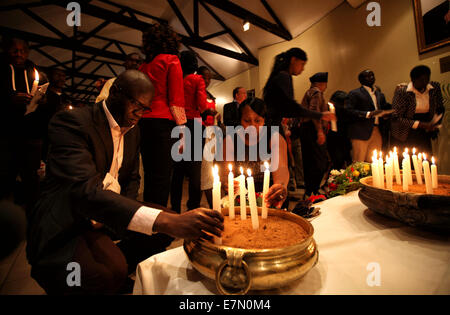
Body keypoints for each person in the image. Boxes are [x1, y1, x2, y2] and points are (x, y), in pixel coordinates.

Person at [26, 70, 224, 295]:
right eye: (136, 105)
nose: (139, 113)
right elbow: (84, 192)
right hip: (69, 221)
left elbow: (131, 178)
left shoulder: (133, 130)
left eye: (145, 108)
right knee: (111, 267)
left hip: (105, 215)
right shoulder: (73, 123)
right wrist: (164, 220)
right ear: (115, 93)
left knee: (163, 230)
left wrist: (124, 217)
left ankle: (113, 272)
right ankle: (91, 276)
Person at [139, 23, 186, 207]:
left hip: (143, 123)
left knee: (150, 176)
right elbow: (176, 99)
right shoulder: (171, 60)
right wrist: (182, 132)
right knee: (162, 178)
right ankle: (156, 229)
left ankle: (146, 224)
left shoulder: (144, 66)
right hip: (163, 124)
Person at [0, 37, 47, 212]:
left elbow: (46, 101)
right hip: (6, 135)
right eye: (15, 50)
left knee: (31, 180)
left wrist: (42, 101)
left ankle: (32, 217)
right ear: (6, 50)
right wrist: (10, 98)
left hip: (31, 136)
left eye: (23, 51)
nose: (19, 54)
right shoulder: (2, 70)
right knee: (5, 177)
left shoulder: (34, 71)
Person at [220, 98, 289, 209]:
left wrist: (280, 186)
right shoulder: (230, 141)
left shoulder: (274, 138)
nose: (252, 126)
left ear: (264, 120)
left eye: (257, 121)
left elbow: (281, 168)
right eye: (247, 121)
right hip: (241, 201)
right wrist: (227, 183)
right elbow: (225, 173)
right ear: (240, 120)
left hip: (269, 198)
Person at [262, 47, 335, 132]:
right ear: (293, 60)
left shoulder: (280, 75)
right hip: (272, 126)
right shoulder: (283, 76)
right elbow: (291, 107)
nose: (303, 68)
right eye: (302, 64)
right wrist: (320, 115)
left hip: (271, 125)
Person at [170, 51, 208, 213]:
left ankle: (175, 209)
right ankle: (193, 207)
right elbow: (202, 106)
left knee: (177, 171)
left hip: (177, 124)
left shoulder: (175, 79)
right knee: (195, 170)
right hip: (194, 124)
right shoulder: (197, 79)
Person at [391, 65, 445, 157]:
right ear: (413, 80)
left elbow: (440, 107)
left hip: (425, 128)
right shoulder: (403, 92)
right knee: (409, 160)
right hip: (406, 130)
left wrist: (435, 123)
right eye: (421, 80)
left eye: (427, 79)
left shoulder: (434, 88)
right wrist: (420, 124)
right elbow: (396, 117)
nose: (425, 82)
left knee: (425, 157)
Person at [347, 70, 391, 162]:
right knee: (359, 162)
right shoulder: (355, 93)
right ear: (361, 80)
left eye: (372, 75)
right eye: (367, 76)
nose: (371, 78)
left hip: (377, 129)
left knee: (374, 162)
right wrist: (368, 114)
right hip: (360, 131)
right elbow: (349, 111)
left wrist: (386, 114)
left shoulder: (379, 94)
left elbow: (384, 108)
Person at [299, 72, 331, 198]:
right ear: (321, 83)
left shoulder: (308, 92)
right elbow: (313, 111)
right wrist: (319, 131)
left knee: (310, 161)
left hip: (306, 129)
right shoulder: (316, 92)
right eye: (325, 84)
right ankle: (313, 190)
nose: (326, 87)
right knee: (319, 162)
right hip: (312, 129)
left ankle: (310, 191)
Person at [326, 91, 352, 170]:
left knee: (347, 160)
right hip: (334, 139)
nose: (345, 105)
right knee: (337, 161)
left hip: (345, 138)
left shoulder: (346, 111)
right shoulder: (330, 111)